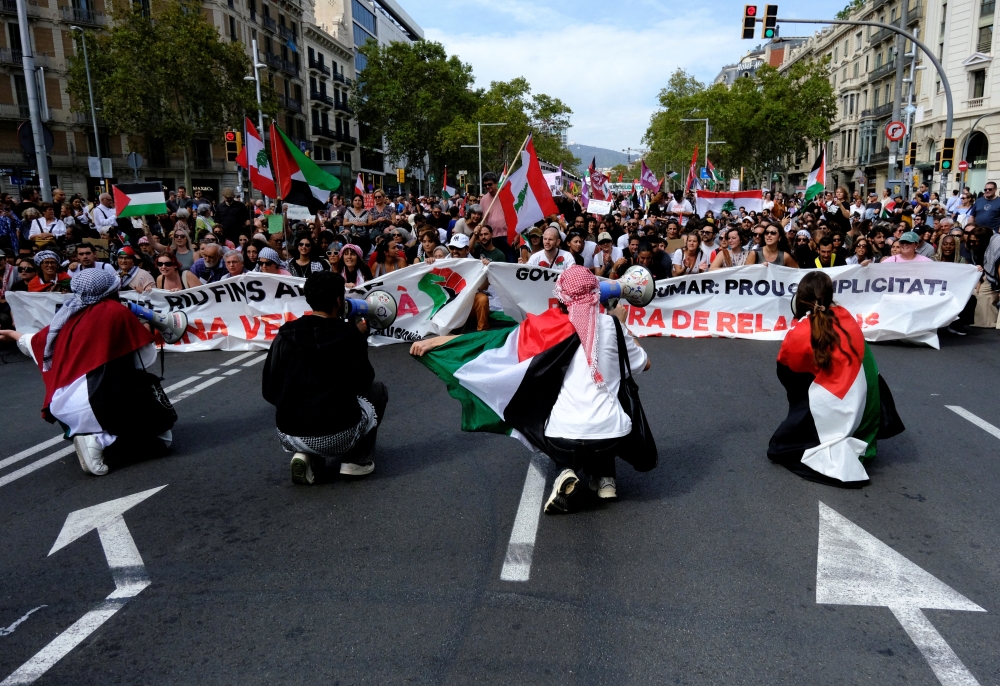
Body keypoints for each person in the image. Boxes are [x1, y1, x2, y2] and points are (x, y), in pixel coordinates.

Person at [410, 265, 651, 512]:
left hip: (563, 440)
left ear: (561, 297)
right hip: (612, 437)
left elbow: (491, 343)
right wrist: (622, 324)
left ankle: (564, 472)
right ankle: (605, 478)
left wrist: (438, 341)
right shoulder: (613, 326)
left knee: (549, 412)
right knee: (608, 398)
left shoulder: (546, 327)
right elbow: (645, 363)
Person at [0, 270, 176, 476]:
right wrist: (143, 326)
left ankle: (91, 434)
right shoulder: (115, 311)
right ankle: (98, 440)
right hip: (99, 402)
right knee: (162, 438)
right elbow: (144, 360)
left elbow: (36, 342)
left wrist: (12, 334)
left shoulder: (67, 315)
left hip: (63, 406)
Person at [768, 271, 903, 487]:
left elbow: (787, 372)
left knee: (780, 448)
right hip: (868, 397)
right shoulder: (844, 315)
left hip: (838, 402)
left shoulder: (802, 330)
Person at [262, 271, 388, 484]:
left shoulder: (285, 333)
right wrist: (358, 339)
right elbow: (364, 381)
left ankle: (307, 455)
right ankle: (355, 461)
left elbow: (270, 389)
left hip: (289, 434)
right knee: (377, 391)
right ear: (339, 301)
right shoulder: (349, 334)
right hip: (338, 435)